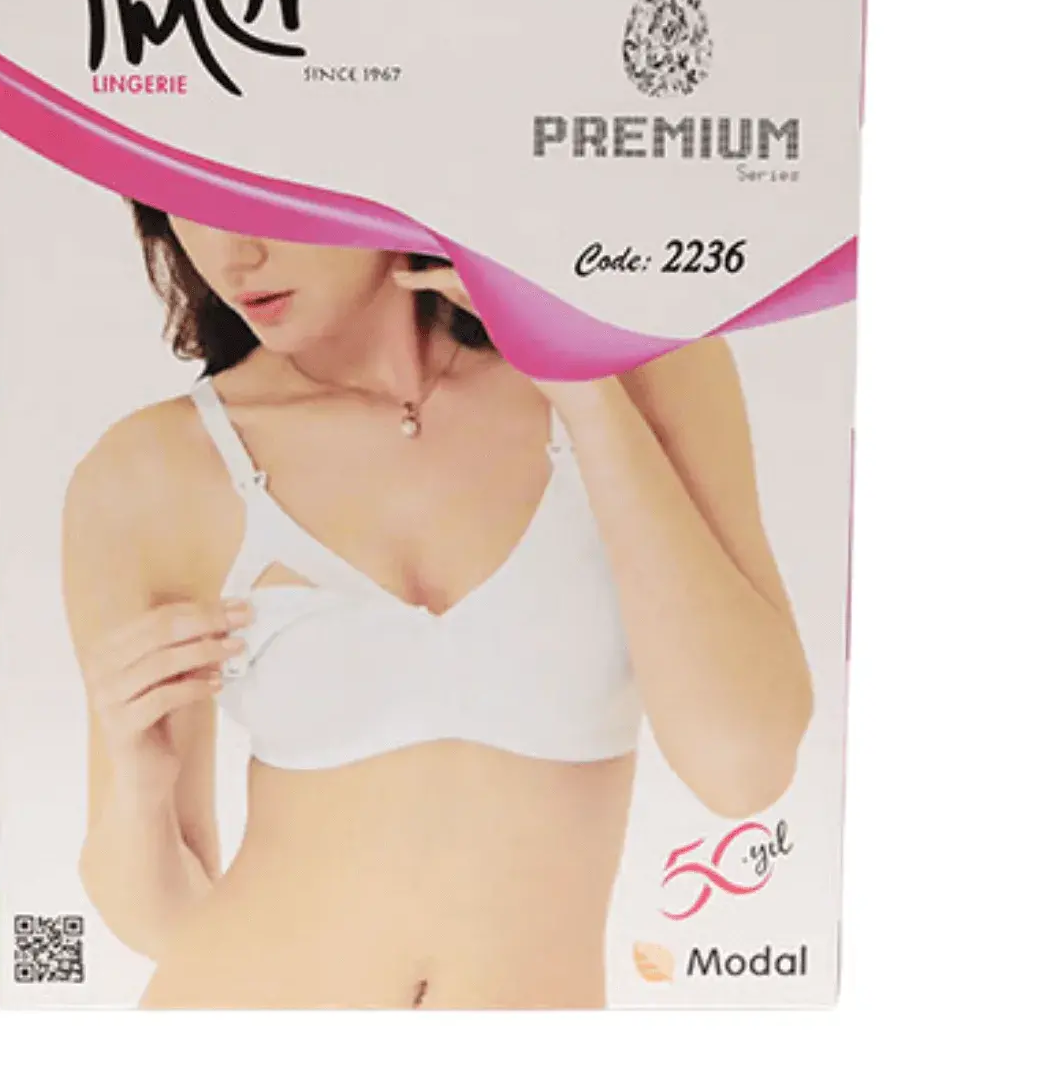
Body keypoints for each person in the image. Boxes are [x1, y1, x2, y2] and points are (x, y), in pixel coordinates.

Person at [61, 205, 813, 1008]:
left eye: (265, 203)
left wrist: (582, 389)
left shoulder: (651, 376)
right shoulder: (152, 469)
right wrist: (137, 781)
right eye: (189, 210)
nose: (233, 257)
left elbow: (743, 770)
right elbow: (160, 924)